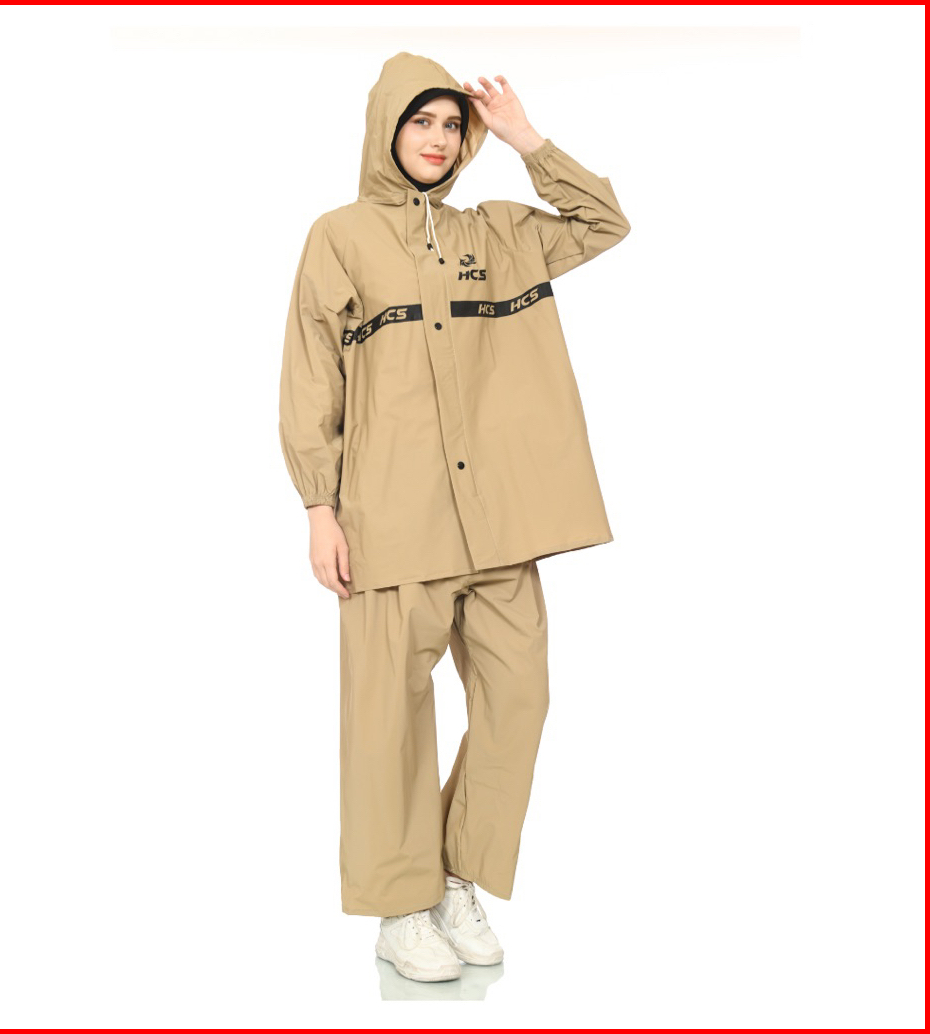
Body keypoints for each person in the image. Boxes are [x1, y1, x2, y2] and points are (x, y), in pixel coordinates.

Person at [278, 51, 631, 982]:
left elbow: (604, 222)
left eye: (450, 124)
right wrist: (319, 508)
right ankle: (399, 908)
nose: (437, 139)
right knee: (387, 725)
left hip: (503, 520)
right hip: (391, 518)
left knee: (520, 698)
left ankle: (453, 879)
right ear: (386, 128)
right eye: (420, 121)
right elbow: (311, 376)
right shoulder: (340, 236)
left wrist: (525, 139)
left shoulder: (501, 232)